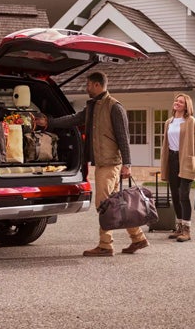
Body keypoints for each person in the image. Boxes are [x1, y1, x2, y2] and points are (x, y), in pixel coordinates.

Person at [34, 71, 148, 257]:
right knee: (116, 203)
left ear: (96, 85)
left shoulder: (114, 107)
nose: (86, 88)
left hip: (110, 164)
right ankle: (138, 238)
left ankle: (105, 245)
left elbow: (123, 138)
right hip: (103, 163)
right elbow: (74, 119)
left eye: (88, 85)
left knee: (103, 204)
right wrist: (49, 122)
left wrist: (127, 163)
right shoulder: (93, 106)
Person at [159, 93, 195, 242]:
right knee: (175, 196)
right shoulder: (168, 122)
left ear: (186, 106)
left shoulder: (190, 121)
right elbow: (166, 145)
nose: (177, 103)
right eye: (176, 101)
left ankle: (187, 230)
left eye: (181, 102)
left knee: (184, 195)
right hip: (172, 159)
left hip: (186, 160)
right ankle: (178, 227)